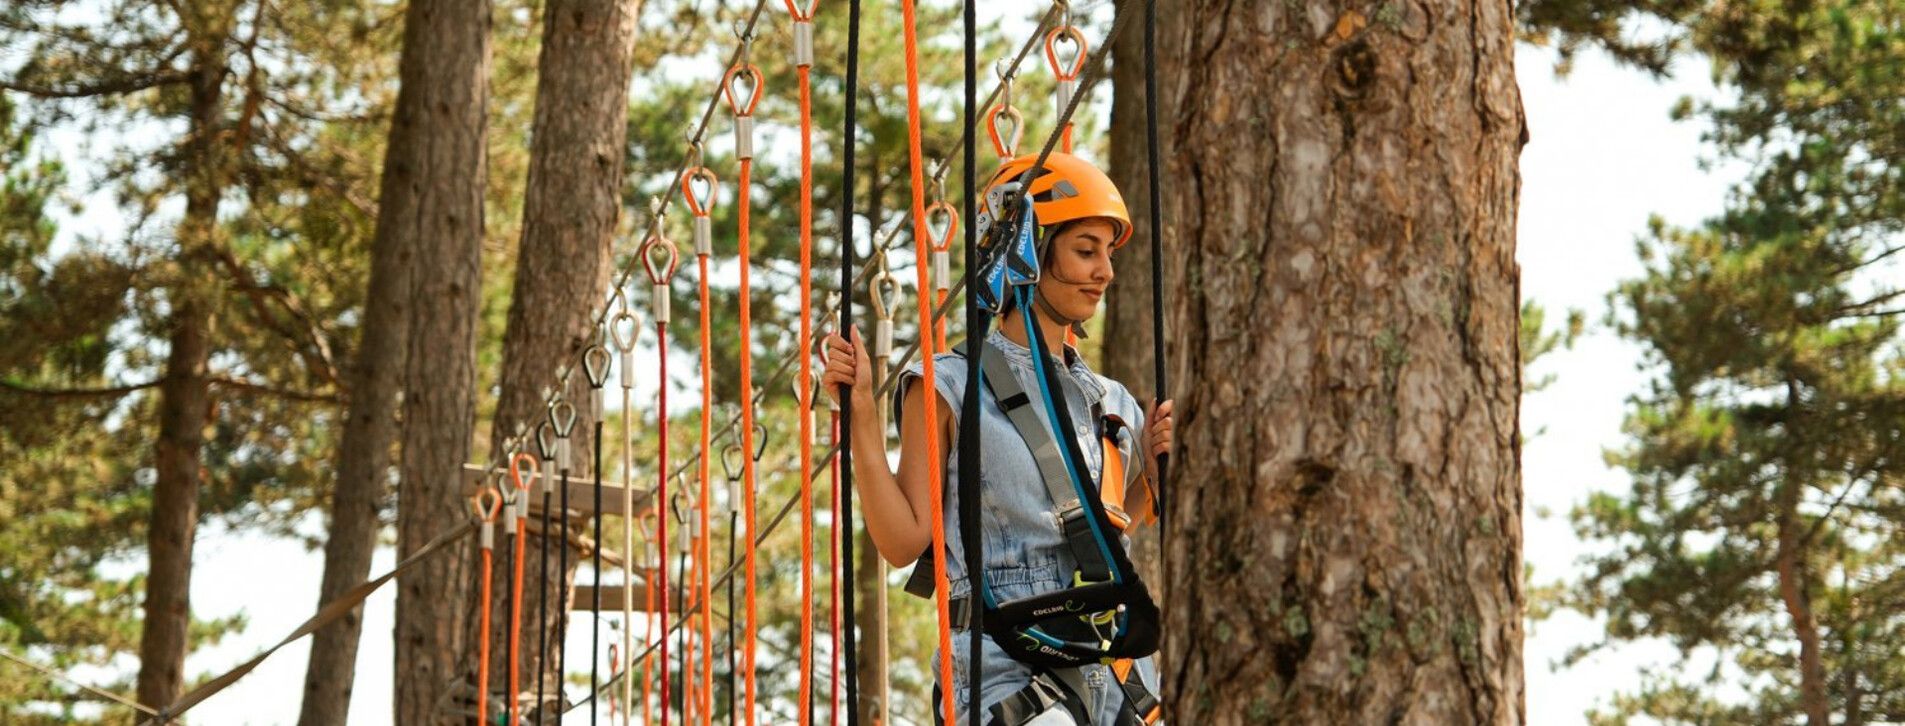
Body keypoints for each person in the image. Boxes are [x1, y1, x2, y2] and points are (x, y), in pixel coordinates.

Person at [822, 152, 1172, 725]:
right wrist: (861, 412)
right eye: (1086, 250)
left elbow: (1106, 531)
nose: (1106, 271)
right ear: (1025, 252)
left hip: (1116, 670)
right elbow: (903, 541)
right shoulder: (949, 386)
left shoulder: (1113, 403)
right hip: (1002, 661)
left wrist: (1153, 484)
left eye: (1108, 253)